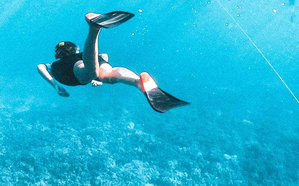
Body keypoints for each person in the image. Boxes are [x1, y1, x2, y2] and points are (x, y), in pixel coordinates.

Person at [37, 11, 189, 113]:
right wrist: (98, 76)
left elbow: (40, 66)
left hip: (76, 68)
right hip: (91, 59)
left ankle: (94, 29)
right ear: (75, 49)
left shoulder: (56, 64)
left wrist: (55, 85)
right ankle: (138, 81)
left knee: (90, 73)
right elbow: (103, 55)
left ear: (58, 54)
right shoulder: (80, 55)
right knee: (109, 75)